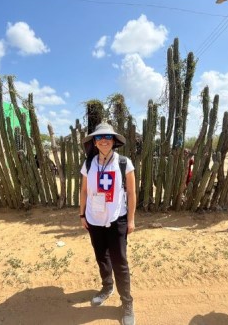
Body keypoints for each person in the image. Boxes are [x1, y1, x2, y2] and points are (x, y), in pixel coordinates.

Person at [79, 122, 136, 325]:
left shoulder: (124, 163)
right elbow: (84, 191)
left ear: (114, 141)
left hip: (116, 219)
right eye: (99, 137)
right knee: (101, 256)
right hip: (94, 218)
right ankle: (107, 287)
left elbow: (131, 192)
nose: (104, 140)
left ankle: (127, 302)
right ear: (94, 142)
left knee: (120, 261)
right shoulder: (88, 164)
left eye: (108, 137)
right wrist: (82, 215)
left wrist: (130, 219)